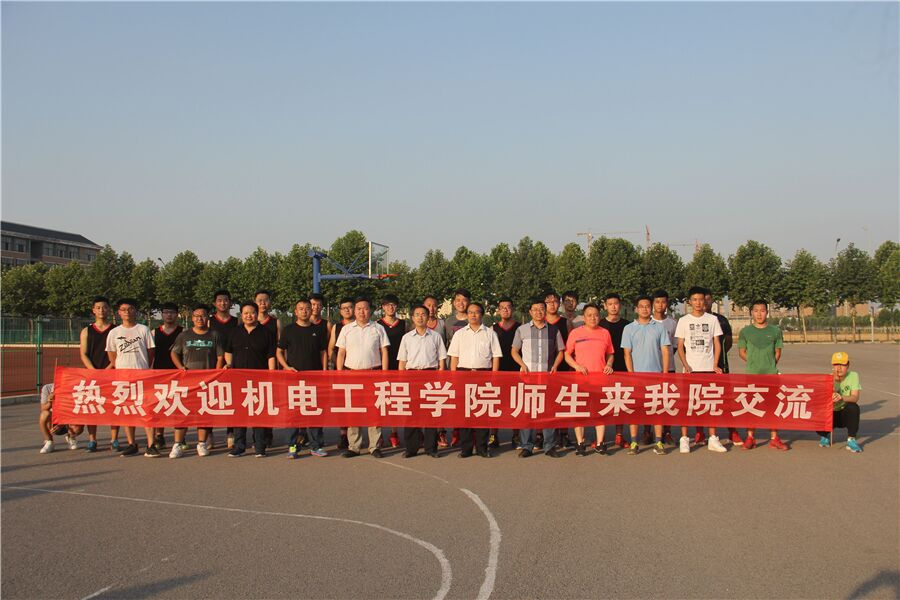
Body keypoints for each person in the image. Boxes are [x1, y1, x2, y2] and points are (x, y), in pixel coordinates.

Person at [675, 287, 727, 453]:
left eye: (701, 299)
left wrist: (715, 364)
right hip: (691, 370)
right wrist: (685, 364)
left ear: (705, 301)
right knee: (687, 405)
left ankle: (713, 438)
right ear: (689, 302)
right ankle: (684, 439)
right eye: (695, 299)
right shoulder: (683, 321)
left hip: (709, 369)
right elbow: (680, 346)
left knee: (710, 404)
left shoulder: (712, 320)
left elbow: (717, 343)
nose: (698, 303)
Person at [336, 298, 390, 458]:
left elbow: (384, 352)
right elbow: (341, 353)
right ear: (354, 310)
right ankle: (354, 446)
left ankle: (374, 446)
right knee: (354, 411)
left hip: (373, 374)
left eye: (365, 308)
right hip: (352, 374)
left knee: (374, 411)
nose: (362, 311)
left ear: (370, 310)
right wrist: (339, 374)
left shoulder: (378, 328)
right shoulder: (346, 329)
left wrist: (385, 374)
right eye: (358, 308)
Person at [169, 303, 224, 457]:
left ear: (208, 318)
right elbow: (174, 353)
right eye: (197, 316)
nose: (200, 318)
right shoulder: (184, 335)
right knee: (183, 413)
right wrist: (180, 367)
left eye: (203, 315)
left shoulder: (214, 335)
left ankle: (201, 443)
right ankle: (177, 444)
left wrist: (216, 373)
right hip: (188, 382)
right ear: (192, 318)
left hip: (207, 381)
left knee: (203, 413)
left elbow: (220, 356)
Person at [511, 298, 564, 458]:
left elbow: (561, 351)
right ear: (530, 312)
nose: (538, 312)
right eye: (535, 309)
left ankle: (549, 446)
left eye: (541, 309)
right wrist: (522, 365)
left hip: (548, 377)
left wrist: (555, 365)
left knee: (548, 412)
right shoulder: (522, 330)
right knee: (528, 412)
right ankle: (527, 446)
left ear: (545, 310)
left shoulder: (554, 330)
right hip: (528, 378)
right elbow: (514, 351)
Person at [448, 301, 502, 458]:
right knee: (465, 412)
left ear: (482, 315)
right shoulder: (459, 334)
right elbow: (454, 357)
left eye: (476, 312)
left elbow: (496, 356)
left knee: (482, 412)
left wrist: (494, 377)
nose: (473, 315)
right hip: (463, 374)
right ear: (467, 315)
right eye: (470, 312)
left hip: (483, 375)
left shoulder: (490, 333)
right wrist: (453, 377)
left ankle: (482, 448)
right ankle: (466, 448)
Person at [224, 301, 277, 457]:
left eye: (252, 312)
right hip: (238, 378)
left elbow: (271, 355)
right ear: (241, 315)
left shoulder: (266, 332)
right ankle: (239, 446)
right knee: (239, 413)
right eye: (246, 313)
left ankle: (260, 446)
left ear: (257, 314)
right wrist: (228, 364)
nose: (249, 316)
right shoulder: (234, 332)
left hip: (260, 378)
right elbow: (228, 352)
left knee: (259, 412)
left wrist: (272, 374)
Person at [277, 298, 329, 458]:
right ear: (296, 311)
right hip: (294, 378)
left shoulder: (318, 330)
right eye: (301, 308)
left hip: (314, 378)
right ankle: (292, 446)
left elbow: (323, 352)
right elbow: (279, 352)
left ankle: (316, 446)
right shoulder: (288, 330)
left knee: (314, 412)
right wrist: (286, 367)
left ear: (311, 310)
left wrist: (324, 371)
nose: (304, 311)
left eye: (307, 308)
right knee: (293, 413)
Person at [106, 298, 157, 457]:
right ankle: (131, 443)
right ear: (119, 313)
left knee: (147, 410)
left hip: (142, 376)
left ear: (136, 311)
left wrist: (144, 368)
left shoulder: (143, 330)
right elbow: (112, 355)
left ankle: (151, 444)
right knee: (127, 411)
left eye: (130, 309)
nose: (127, 312)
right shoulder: (114, 333)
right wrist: (120, 369)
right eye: (123, 309)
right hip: (123, 377)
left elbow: (150, 352)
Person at [621, 295, 671, 456]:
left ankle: (659, 442)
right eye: (641, 306)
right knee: (635, 410)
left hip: (655, 376)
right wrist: (631, 375)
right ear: (636, 309)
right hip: (636, 377)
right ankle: (634, 442)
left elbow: (665, 351)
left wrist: (665, 373)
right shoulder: (629, 328)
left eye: (647, 306)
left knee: (656, 410)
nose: (644, 309)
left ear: (651, 308)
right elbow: (627, 353)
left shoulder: (659, 327)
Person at [736, 300, 788, 450]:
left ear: (767, 312)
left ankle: (774, 438)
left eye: (762, 310)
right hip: (752, 375)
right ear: (751, 313)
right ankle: (750, 437)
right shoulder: (745, 332)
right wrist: (754, 362)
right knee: (751, 407)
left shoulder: (775, 331)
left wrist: (769, 365)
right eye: (756, 311)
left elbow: (777, 352)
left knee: (772, 407)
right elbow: (741, 352)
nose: (759, 314)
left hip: (771, 375)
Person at [397, 304, 447, 458]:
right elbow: (402, 362)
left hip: (430, 376)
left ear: (428, 317)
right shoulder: (406, 338)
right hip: (412, 376)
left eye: (423, 314)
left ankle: (431, 448)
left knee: (430, 414)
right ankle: (411, 448)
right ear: (412, 318)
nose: (420, 317)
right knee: (411, 414)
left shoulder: (436, 336)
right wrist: (401, 381)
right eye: (417, 314)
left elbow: (441, 361)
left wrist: (440, 379)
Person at [564, 304, 615, 456]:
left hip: (600, 379)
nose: (593, 318)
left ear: (600, 316)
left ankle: (600, 443)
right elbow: (567, 354)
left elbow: (610, 353)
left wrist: (609, 365)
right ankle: (580, 443)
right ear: (584, 317)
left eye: (596, 315)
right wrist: (577, 366)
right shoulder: (575, 333)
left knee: (600, 412)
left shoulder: (605, 333)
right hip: (581, 379)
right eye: (589, 315)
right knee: (580, 412)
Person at [72, 296, 113, 452]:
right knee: (92, 407)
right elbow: (83, 353)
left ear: (109, 310)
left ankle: (114, 439)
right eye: (98, 307)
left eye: (104, 307)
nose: (101, 310)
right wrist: (93, 371)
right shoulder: (86, 331)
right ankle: (92, 439)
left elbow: (117, 354)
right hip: (92, 374)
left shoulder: (115, 330)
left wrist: (109, 369)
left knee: (113, 406)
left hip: (111, 373)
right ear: (93, 310)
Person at [705, 291, 739, 446]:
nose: (704, 302)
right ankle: (700, 432)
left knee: (725, 400)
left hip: (720, 366)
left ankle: (732, 430)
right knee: (699, 399)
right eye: (700, 299)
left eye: (707, 299)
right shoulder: (689, 321)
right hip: (699, 367)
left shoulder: (721, 320)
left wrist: (718, 358)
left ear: (712, 301)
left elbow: (728, 343)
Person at [599, 293, 632, 449]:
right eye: (610, 304)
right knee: (602, 403)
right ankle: (601, 438)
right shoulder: (599, 324)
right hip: (603, 369)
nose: (613, 306)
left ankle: (619, 435)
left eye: (616, 303)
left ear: (620, 305)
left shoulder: (628, 325)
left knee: (620, 402)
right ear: (605, 306)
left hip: (622, 368)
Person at [151, 301, 183, 451]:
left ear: (177, 314)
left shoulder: (183, 332)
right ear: (162, 315)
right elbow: (150, 354)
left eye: (172, 312)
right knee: (160, 405)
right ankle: (159, 435)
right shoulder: (154, 333)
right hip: (159, 374)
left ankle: (180, 436)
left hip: (178, 374)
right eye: (166, 312)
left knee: (179, 405)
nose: (169, 315)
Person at [442, 288, 472, 447]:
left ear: (469, 302)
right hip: (453, 366)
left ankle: (470, 432)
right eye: (458, 300)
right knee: (456, 401)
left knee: (470, 400)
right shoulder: (448, 322)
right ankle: (456, 431)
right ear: (454, 302)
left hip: (470, 366)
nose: (461, 303)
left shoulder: (474, 318)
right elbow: (445, 344)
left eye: (464, 300)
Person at [817, 352, 863, 453]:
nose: (839, 368)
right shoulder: (828, 378)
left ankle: (851, 440)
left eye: (842, 364)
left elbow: (855, 397)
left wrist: (842, 397)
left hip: (843, 414)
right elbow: (820, 399)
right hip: (830, 415)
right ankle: (824, 435)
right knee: (817, 411)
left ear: (848, 365)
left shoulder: (853, 376)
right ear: (832, 366)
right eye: (836, 364)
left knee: (853, 407)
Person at [208, 290, 238, 448]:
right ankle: (208, 433)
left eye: (225, 300)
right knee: (210, 399)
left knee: (231, 400)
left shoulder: (237, 321)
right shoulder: (209, 321)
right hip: (213, 365)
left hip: (231, 365)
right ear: (215, 303)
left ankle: (230, 432)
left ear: (230, 303)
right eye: (219, 300)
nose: (223, 303)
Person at [378, 293, 407, 448]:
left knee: (395, 401)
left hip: (399, 366)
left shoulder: (403, 324)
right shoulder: (377, 325)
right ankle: (379, 434)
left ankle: (394, 432)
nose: (390, 307)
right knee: (380, 402)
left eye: (393, 305)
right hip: (381, 367)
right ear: (383, 307)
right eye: (387, 305)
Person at [491, 297, 520, 448]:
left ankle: (516, 435)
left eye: (508, 307)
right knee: (495, 404)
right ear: (498, 310)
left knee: (515, 405)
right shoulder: (492, 329)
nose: (505, 310)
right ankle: (493, 435)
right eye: (502, 307)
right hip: (498, 371)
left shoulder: (520, 328)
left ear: (512, 309)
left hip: (516, 371)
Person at [545, 290, 572, 448]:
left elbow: (570, 346)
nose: (552, 305)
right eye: (548, 302)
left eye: (555, 301)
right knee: (545, 401)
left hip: (561, 367)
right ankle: (542, 434)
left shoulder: (565, 322)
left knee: (562, 400)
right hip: (544, 367)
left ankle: (564, 433)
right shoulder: (539, 321)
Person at [650, 289, 678, 445]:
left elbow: (674, 346)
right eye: (657, 302)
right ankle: (647, 431)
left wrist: (666, 360)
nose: (660, 305)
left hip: (669, 368)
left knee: (667, 401)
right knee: (650, 400)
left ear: (667, 303)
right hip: (651, 368)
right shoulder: (648, 322)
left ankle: (667, 432)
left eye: (663, 301)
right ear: (653, 304)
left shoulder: (672, 323)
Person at [328, 296, 355, 450]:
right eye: (344, 308)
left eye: (350, 307)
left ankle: (359, 437)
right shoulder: (337, 327)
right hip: (343, 372)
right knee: (343, 404)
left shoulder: (362, 326)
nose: (347, 310)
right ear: (340, 311)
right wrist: (340, 366)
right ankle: (344, 434)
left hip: (359, 372)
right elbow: (331, 349)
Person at [38, 384, 75, 454]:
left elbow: (74, 410)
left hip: (67, 418)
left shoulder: (71, 386)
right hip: (54, 419)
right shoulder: (47, 388)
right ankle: (49, 441)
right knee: (44, 414)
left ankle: (71, 437)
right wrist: (50, 401)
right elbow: (43, 408)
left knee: (78, 427)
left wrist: (62, 423)